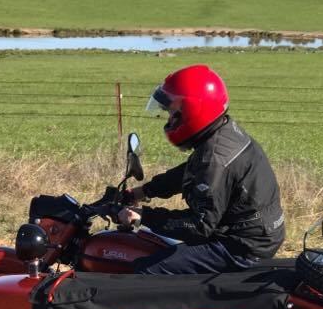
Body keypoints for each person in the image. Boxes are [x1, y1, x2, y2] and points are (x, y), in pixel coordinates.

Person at [118, 64, 285, 275]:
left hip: (242, 247)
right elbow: (191, 170)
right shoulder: (220, 132)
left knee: (145, 271)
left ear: (191, 111)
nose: (169, 120)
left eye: (172, 113)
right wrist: (144, 191)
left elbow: (198, 226)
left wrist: (143, 216)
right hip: (255, 232)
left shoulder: (215, 159)